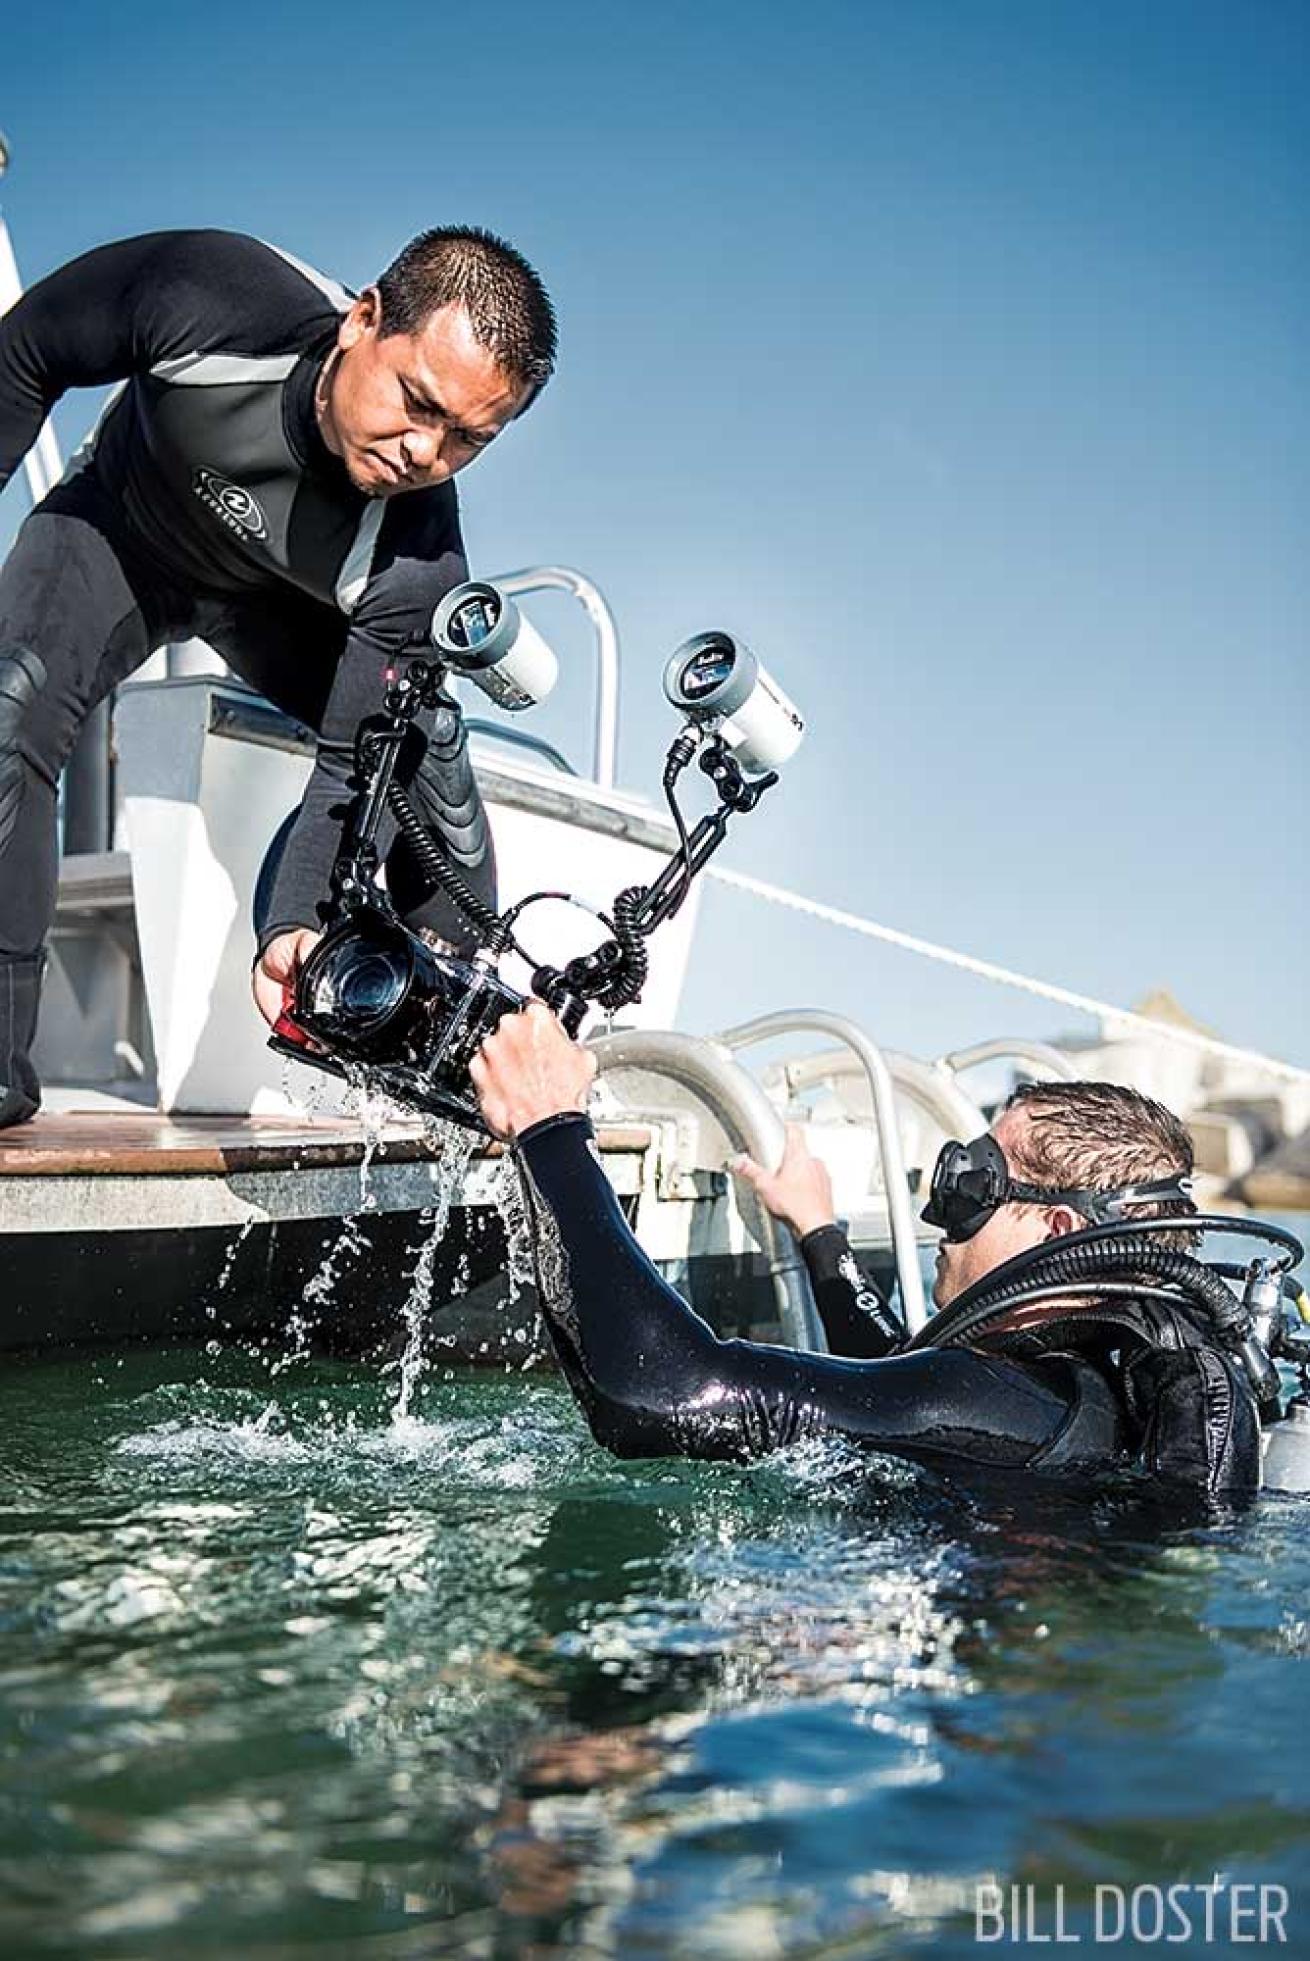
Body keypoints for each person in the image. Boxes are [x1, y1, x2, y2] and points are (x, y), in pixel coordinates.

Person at [0, 224, 556, 1126]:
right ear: (362, 320)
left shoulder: (418, 562)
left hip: (279, 614)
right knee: (7, 702)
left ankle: (443, 1064)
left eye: (467, 440)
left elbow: (349, 768)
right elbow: (25, 352)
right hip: (123, 529)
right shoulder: (209, 294)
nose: (425, 453)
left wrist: (293, 923)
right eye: (417, 401)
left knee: (411, 749)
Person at [470, 1005, 1262, 1497]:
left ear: (1057, 1232)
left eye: (974, 1185)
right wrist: (819, 1232)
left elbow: (661, 1390)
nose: (941, 1210)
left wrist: (550, 1129)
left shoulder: (998, 1398)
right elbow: (893, 1377)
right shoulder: (1081, 1394)